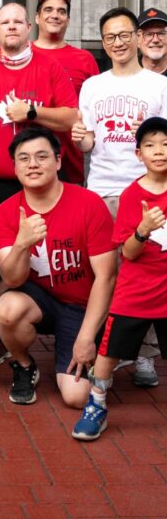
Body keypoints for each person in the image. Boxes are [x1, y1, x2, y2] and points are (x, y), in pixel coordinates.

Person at [0, 2, 78, 365]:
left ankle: (59, 324)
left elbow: (70, 117)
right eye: (4, 22)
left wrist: (32, 113)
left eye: (18, 22)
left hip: (40, 184)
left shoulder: (50, 68)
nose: (11, 27)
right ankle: (1, 333)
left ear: (29, 28)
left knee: (50, 255)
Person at [73, 7, 167, 387]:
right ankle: (102, 348)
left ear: (137, 38)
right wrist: (85, 141)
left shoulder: (158, 85)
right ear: (103, 42)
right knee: (105, 275)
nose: (118, 42)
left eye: (125, 34)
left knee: (143, 272)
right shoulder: (93, 86)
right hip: (102, 190)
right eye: (110, 37)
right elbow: (89, 140)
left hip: (147, 191)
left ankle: (143, 356)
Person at [0, 127, 117, 408]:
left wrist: (85, 338)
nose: (32, 164)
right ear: (15, 167)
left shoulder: (89, 204)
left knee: (76, 397)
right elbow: (11, 278)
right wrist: (22, 244)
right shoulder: (3, 214)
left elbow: (107, 277)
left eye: (41, 156)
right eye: (23, 158)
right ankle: (24, 365)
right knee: (7, 309)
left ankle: (88, 347)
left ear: (58, 161)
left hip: (82, 306)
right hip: (41, 300)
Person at [72, 116, 167, 441]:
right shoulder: (131, 196)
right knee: (108, 353)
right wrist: (143, 229)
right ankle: (96, 406)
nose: (160, 151)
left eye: (166, 144)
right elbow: (128, 253)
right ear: (139, 154)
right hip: (136, 293)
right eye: (151, 145)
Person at [33, 0, 99, 184]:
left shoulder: (84, 59)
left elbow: (96, 111)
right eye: (48, 10)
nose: (55, 15)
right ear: (37, 17)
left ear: (68, 20)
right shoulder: (21, 55)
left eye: (62, 11)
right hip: (27, 162)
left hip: (70, 164)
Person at [137, 7, 167, 76]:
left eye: (161, 33)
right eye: (149, 34)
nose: (155, 40)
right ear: (138, 40)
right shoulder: (127, 73)